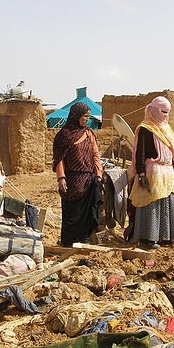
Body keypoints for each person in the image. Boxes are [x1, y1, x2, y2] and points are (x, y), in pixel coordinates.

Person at [129, 96, 174, 249]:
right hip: (153, 171)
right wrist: (141, 173)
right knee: (151, 204)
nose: (166, 115)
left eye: (168, 112)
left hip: (167, 172)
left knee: (166, 203)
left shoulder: (167, 128)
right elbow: (140, 153)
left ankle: (167, 237)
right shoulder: (146, 128)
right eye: (163, 112)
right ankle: (148, 238)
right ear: (154, 110)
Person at [52, 102, 103, 247]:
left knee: (87, 211)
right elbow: (59, 159)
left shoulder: (89, 134)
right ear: (76, 116)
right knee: (71, 213)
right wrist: (61, 178)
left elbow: (95, 155)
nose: (87, 119)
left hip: (88, 178)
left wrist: (98, 174)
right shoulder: (63, 136)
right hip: (71, 179)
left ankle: (85, 238)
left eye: (88, 116)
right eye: (84, 116)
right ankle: (68, 241)